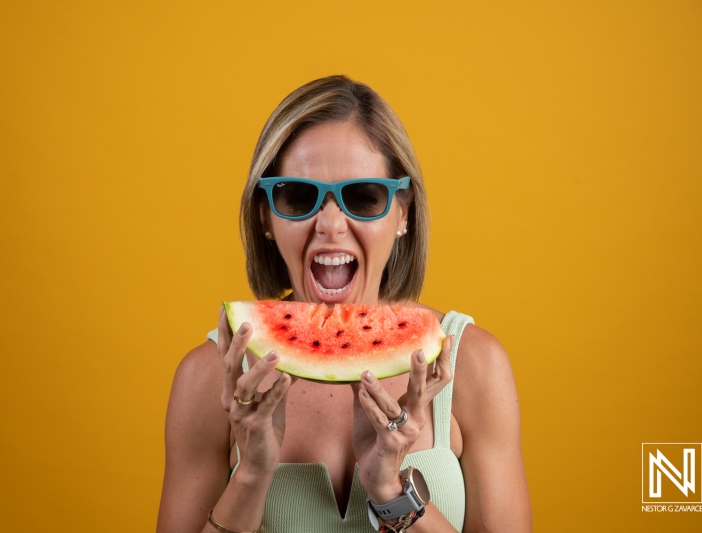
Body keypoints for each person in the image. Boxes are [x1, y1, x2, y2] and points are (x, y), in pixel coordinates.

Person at [157, 75, 531, 533]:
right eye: (297, 197)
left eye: (363, 197)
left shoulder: (472, 364)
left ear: (403, 213)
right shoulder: (211, 378)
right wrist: (251, 476)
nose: (331, 224)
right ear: (266, 217)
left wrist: (391, 492)